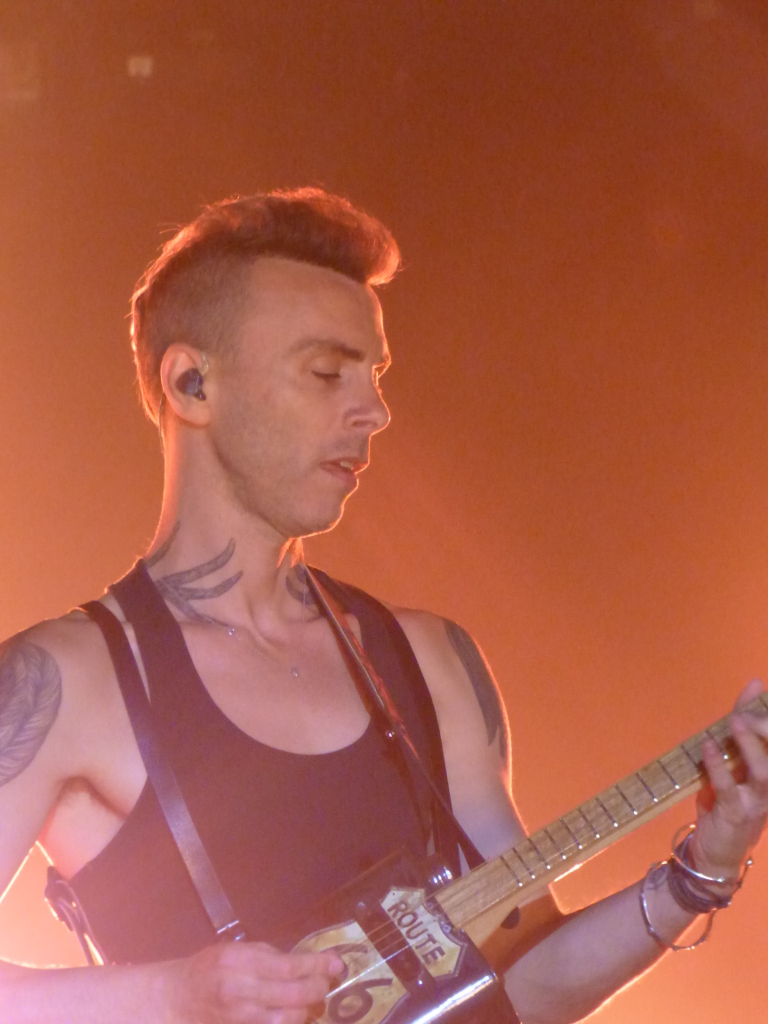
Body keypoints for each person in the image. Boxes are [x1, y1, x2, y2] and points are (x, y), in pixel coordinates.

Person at [0, 188, 766, 1024]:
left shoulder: (429, 659)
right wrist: (173, 995)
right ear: (191, 383)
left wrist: (702, 870)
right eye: (327, 373)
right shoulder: (61, 681)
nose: (374, 410)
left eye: (374, 376)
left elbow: (525, 985)